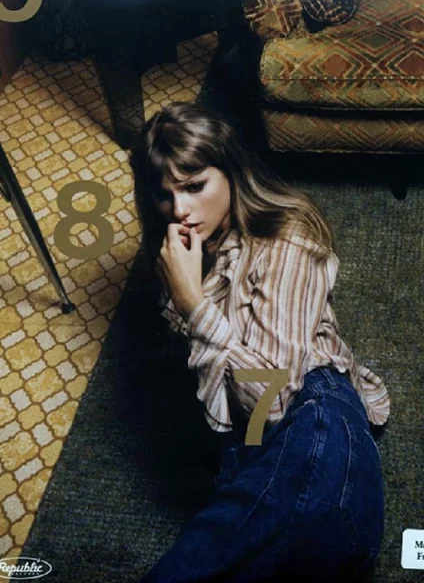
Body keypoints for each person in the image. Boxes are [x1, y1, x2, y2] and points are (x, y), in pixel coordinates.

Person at [130, 102, 390, 583]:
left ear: (230, 171)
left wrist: (194, 306)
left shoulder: (288, 236)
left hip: (317, 422)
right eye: (165, 195)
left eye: (194, 186)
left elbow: (271, 400)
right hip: (249, 459)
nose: (180, 211)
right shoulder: (181, 255)